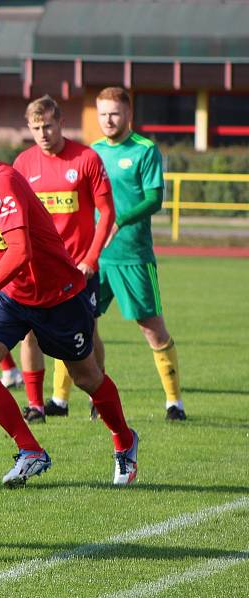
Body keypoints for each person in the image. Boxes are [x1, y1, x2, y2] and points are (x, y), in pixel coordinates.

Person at [0, 113, 138, 487]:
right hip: (14, 296)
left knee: (87, 378)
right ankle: (31, 451)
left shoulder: (3, 182)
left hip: (59, 297)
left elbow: (20, 252)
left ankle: (125, 441)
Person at [12, 95, 114, 422]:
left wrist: (91, 258)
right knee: (29, 333)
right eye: (36, 127)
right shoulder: (23, 164)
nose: (43, 133)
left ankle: (98, 396)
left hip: (79, 268)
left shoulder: (86, 158)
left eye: (48, 126)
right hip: (38, 268)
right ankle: (36, 405)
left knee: (88, 331)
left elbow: (107, 213)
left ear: (61, 124)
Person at [93, 87, 185, 421]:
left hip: (133, 255)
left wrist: (120, 220)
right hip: (94, 256)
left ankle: (174, 402)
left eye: (114, 113)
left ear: (128, 114)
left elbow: (154, 200)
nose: (108, 119)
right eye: (103, 113)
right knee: (81, 322)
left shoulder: (145, 150)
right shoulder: (92, 152)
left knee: (152, 328)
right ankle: (80, 398)